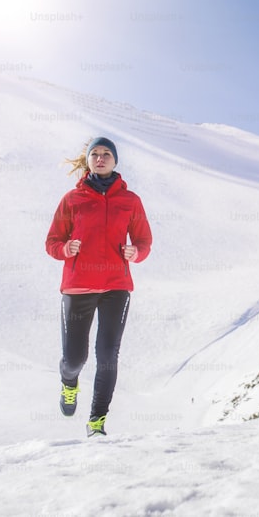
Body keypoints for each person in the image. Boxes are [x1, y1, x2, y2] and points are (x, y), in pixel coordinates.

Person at [45, 136, 152, 437]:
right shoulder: (72, 200)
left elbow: (144, 241)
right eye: (95, 154)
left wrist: (137, 252)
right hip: (78, 289)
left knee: (107, 356)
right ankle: (69, 382)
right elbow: (51, 242)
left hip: (116, 288)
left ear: (115, 160)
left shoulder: (130, 201)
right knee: (75, 358)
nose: (101, 158)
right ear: (88, 160)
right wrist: (66, 249)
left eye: (107, 153)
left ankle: (96, 421)